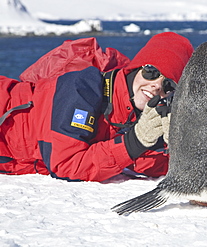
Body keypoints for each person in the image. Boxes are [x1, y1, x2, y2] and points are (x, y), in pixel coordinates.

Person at [0, 32, 194, 182]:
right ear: (136, 69)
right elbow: (65, 164)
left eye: (168, 85)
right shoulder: (83, 89)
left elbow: (146, 163)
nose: (156, 86)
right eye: (151, 72)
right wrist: (136, 141)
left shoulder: (135, 115)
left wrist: (173, 146)